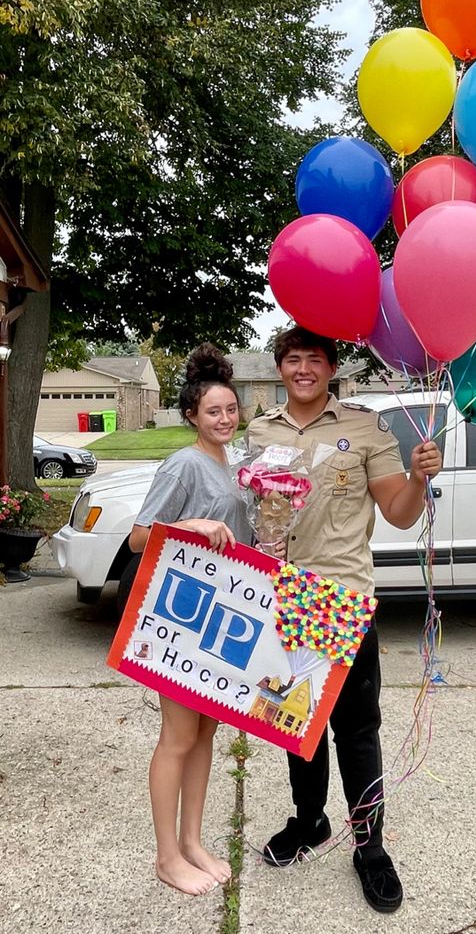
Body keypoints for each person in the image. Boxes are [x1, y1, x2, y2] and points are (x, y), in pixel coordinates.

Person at [247, 326, 443, 914]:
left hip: (342, 599)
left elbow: (401, 514)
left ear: (332, 368)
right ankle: (309, 822)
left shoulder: (365, 427)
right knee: (293, 726)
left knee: (356, 734)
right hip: (283, 598)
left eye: (314, 359)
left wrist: (417, 478)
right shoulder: (259, 430)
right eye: (291, 359)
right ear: (279, 367)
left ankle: (370, 847)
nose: (302, 368)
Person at [128, 342, 251, 896]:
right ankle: (165, 856)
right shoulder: (183, 463)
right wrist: (193, 525)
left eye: (230, 410)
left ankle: (193, 841)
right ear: (191, 417)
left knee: (205, 733)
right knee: (177, 736)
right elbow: (138, 537)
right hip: (179, 614)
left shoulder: (238, 461)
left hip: (225, 615)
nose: (224, 419)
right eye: (213, 412)